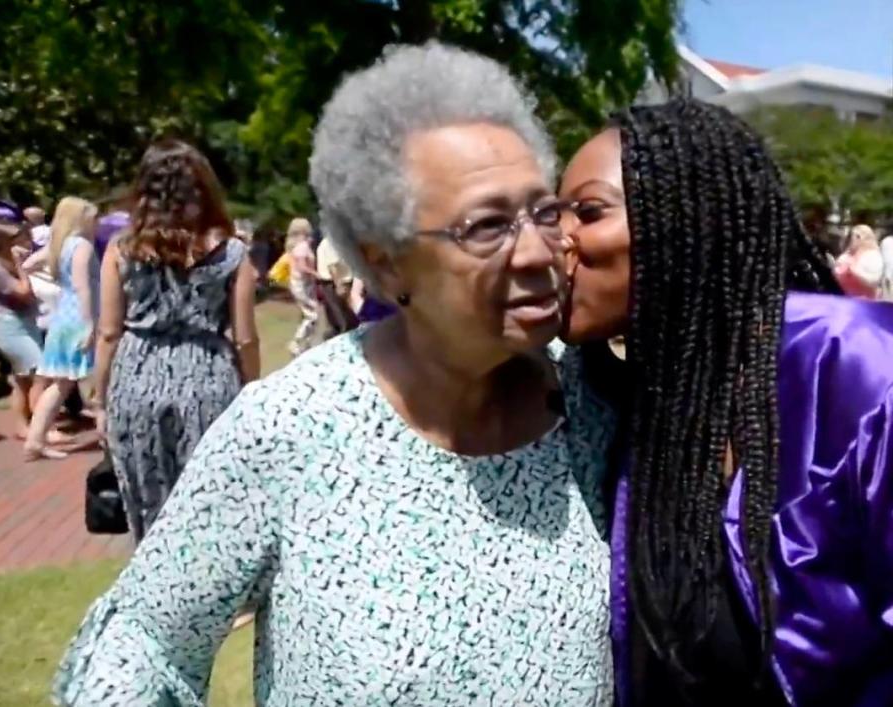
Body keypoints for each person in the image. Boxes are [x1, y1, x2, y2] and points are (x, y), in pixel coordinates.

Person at [55, 43, 613, 705]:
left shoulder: (594, 406)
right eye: (487, 226)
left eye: (544, 212)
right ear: (387, 264)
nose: (535, 251)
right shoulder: (289, 427)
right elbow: (146, 639)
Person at [559, 99, 893, 706]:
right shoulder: (641, 400)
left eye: (587, 211)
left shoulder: (858, 366)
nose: (558, 240)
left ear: (690, 218)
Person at [86, 140, 260, 543]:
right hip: (209, 375)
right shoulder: (232, 251)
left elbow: (109, 332)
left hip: (136, 376)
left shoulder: (122, 249)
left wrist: (100, 400)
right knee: (213, 501)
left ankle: (157, 587)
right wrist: (251, 391)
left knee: (150, 501)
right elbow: (246, 337)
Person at [23, 197, 99, 460]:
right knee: (95, 384)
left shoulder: (58, 246)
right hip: (80, 319)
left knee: (59, 385)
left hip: (62, 318)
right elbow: (83, 287)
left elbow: (28, 264)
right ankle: (110, 438)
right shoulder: (81, 246)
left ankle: (35, 439)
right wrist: (90, 324)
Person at [0, 224, 47, 437]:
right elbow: (23, 292)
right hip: (9, 326)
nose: (24, 244)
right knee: (39, 372)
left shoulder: (5, 266)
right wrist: (20, 265)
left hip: (26, 322)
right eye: (18, 241)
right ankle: (42, 427)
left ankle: (23, 426)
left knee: (22, 378)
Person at [286, 217, 320, 355]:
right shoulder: (302, 247)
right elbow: (302, 266)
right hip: (302, 284)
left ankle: (306, 343)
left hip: (301, 283)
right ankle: (296, 342)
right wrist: (317, 274)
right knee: (313, 315)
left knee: (307, 314)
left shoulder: (297, 246)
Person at [315, 235, 358, 337]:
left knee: (349, 317)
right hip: (335, 283)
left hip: (344, 280)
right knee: (343, 319)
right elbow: (332, 267)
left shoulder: (340, 240)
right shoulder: (331, 243)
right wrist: (339, 285)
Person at [834, 224, 885, 299]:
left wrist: (853, 270)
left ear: (859, 238)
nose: (850, 241)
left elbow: (873, 281)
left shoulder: (872, 255)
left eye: (852, 237)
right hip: (844, 300)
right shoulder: (847, 255)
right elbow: (837, 275)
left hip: (864, 303)